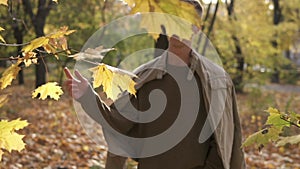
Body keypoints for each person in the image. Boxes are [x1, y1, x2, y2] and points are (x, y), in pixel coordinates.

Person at [64, 1, 246, 169]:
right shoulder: (144, 76)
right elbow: (118, 124)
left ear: (197, 27)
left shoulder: (217, 80)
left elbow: (227, 139)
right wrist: (87, 96)